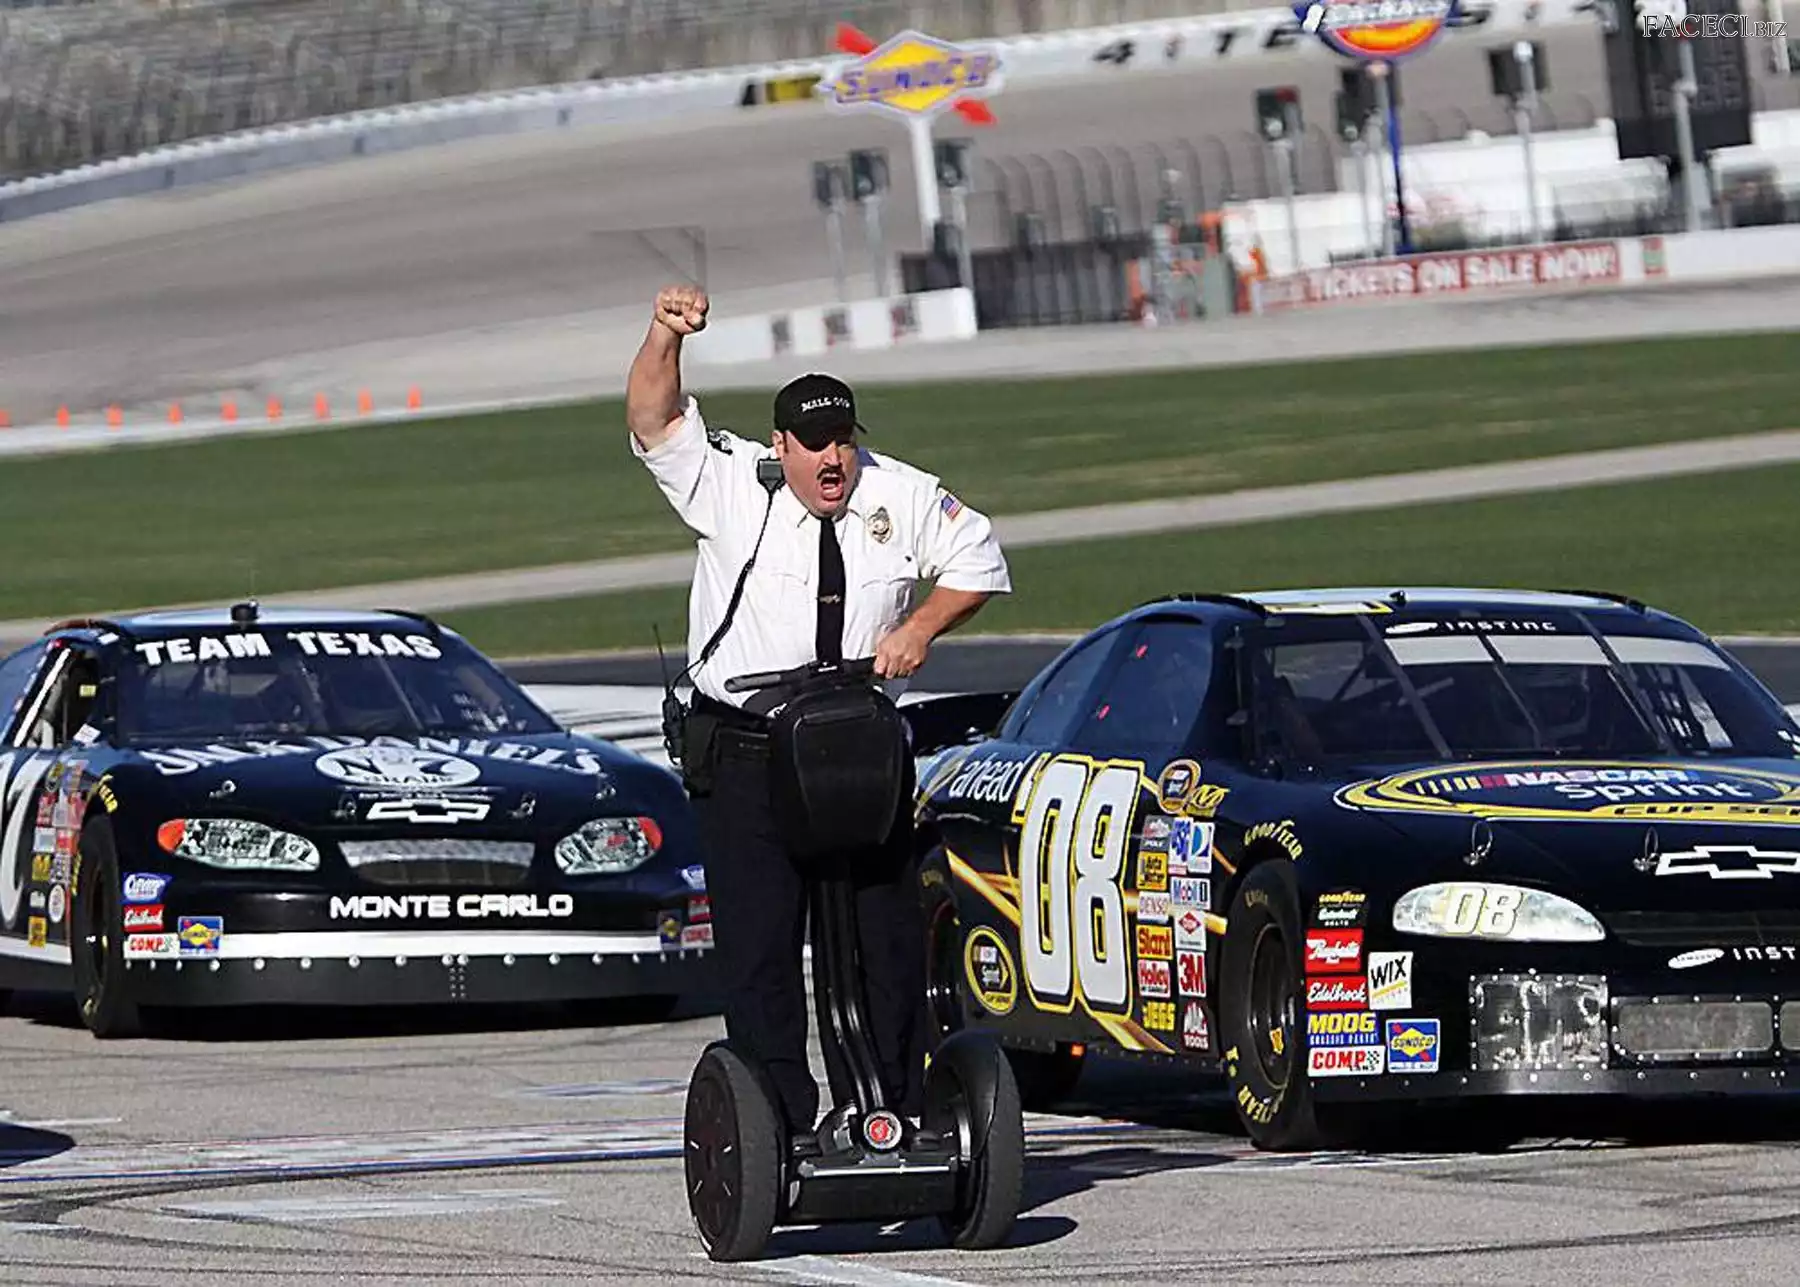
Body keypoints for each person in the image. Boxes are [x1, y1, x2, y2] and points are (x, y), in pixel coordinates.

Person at [624, 283, 1012, 1154]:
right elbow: (653, 416)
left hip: (859, 754)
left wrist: (919, 627)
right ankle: (782, 1128)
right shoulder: (730, 482)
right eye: (814, 444)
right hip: (749, 752)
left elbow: (979, 557)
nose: (832, 459)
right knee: (762, 951)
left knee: (886, 939)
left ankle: (892, 1116)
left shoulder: (898, 491)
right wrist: (664, 335)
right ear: (781, 446)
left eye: (843, 440)